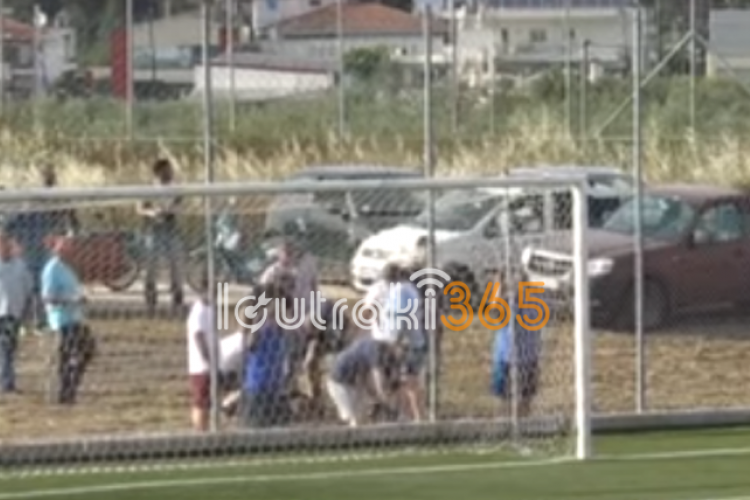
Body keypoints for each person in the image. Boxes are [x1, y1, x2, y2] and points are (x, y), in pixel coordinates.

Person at [5, 166, 78, 332]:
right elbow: (9, 227)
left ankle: (39, 322)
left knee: (39, 287)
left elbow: (63, 219)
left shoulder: (50, 207)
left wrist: (60, 233)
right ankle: (24, 322)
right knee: (26, 289)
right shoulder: (26, 209)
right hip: (28, 253)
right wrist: (14, 244)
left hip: (41, 252)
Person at [41, 236, 95, 405]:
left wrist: (81, 297)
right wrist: (72, 301)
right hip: (62, 320)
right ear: (56, 249)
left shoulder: (68, 268)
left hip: (75, 318)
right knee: (68, 355)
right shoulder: (52, 269)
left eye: (70, 247)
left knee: (87, 350)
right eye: (64, 247)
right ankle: (66, 392)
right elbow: (48, 297)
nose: (69, 250)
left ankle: (70, 387)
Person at [489, 270, 541, 418]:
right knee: (504, 399)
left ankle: (522, 422)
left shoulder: (532, 303)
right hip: (506, 358)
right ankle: (506, 422)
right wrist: (498, 286)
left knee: (525, 398)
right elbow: (494, 312)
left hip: (526, 358)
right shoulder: (506, 302)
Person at [240, 281, 291, 428]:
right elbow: (250, 344)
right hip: (259, 385)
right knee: (257, 428)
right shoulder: (260, 326)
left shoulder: (279, 327)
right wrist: (261, 317)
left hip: (275, 386)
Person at [138, 159, 184, 314]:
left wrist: (172, 210)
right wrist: (152, 212)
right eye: (167, 170)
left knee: (176, 263)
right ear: (159, 172)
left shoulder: (175, 188)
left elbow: (180, 204)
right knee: (151, 265)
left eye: (170, 170)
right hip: (154, 229)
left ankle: (177, 296)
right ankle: (150, 297)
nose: (171, 173)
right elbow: (140, 208)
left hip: (170, 228)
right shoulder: (149, 189)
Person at [326, 333, 402, 428]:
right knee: (353, 417)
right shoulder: (375, 349)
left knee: (360, 416)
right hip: (338, 383)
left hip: (351, 383)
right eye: (399, 347)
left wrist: (373, 395)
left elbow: (364, 377)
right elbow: (377, 377)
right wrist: (382, 396)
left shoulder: (378, 350)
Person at [0, 230, 33, 394]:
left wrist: (27, 312)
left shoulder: (20, 265)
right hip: (1, 312)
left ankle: (7, 381)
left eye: (7, 244)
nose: (5, 248)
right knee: (4, 347)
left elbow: (28, 289)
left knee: (9, 348)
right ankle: (7, 382)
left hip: (14, 313)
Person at [394, 265, 427, 422]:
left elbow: (402, 316)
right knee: (412, 381)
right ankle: (414, 415)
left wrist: (398, 340)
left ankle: (411, 416)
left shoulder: (401, 289)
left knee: (407, 382)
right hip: (417, 340)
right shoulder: (413, 290)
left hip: (407, 342)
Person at [186, 274, 215, 432]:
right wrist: (207, 358)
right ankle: (200, 431)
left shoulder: (210, 308)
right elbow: (198, 336)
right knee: (201, 401)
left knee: (208, 400)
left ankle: (206, 428)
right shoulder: (199, 311)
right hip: (201, 365)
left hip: (211, 364)